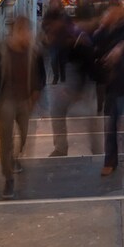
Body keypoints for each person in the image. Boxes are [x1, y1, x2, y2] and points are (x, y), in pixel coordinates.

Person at [0, 13, 45, 198]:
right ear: (16, 32)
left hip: (26, 100)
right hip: (6, 99)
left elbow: (41, 77)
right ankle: (8, 178)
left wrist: (39, 100)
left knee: (24, 135)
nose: (28, 36)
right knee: (5, 140)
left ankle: (15, 158)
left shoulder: (34, 51)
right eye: (24, 32)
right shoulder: (1, 50)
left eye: (29, 32)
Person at [93, 0, 124, 174]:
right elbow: (94, 48)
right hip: (111, 82)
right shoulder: (105, 30)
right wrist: (100, 30)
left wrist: (123, 48)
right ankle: (110, 160)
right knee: (112, 121)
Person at [42, 8, 90, 156]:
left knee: (58, 111)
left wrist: (78, 89)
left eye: (51, 27)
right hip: (71, 78)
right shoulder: (62, 34)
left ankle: (62, 148)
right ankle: (61, 147)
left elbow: (83, 61)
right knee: (56, 111)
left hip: (75, 77)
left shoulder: (73, 35)